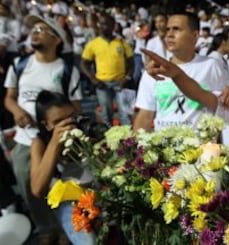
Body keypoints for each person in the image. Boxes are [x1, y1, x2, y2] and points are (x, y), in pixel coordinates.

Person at [4, 14, 82, 244]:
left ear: (57, 40)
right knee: (30, 189)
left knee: (61, 188)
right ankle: (45, 228)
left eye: (42, 29)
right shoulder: (20, 64)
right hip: (25, 140)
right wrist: (17, 111)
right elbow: (9, 97)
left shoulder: (67, 70)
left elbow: (75, 107)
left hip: (56, 143)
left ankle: (66, 228)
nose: (35, 32)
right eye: (34, 29)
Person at [133, 11, 229, 132]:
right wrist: (134, 147)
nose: (169, 34)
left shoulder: (211, 66)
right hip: (163, 148)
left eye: (176, 29)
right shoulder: (154, 70)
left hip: (202, 148)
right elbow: (145, 115)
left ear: (195, 36)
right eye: (168, 29)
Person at [30, 90, 95, 245]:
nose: (68, 125)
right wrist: (55, 143)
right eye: (59, 121)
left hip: (97, 193)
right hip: (70, 202)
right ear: (45, 125)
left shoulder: (85, 126)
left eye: (70, 117)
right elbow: (37, 189)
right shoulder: (40, 143)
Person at [81, 13, 134, 127]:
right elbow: (84, 63)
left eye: (106, 24)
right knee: (106, 116)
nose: (102, 26)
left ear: (113, 25)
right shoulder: (93, 44)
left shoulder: (121, 42)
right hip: (102, 84)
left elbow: (131, 62)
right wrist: (93, 79)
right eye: (100, 23)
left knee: (126, 115)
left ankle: (130, 142)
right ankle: (110, 142)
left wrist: (127, 78)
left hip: (121, 83)